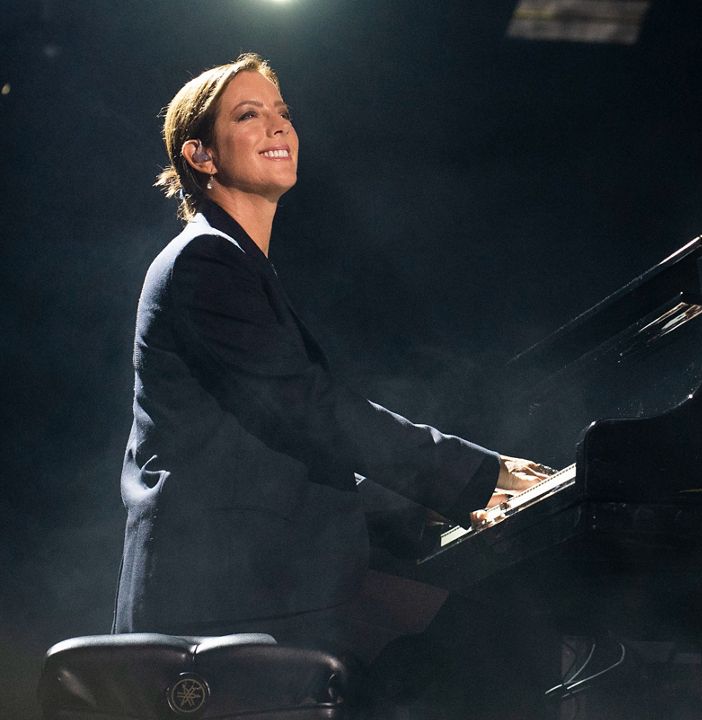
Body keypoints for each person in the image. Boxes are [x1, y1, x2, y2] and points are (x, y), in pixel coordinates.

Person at [114, 52, 551, 714]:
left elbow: (283, 451)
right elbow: (308, 411)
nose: (278, 127)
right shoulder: (206, 260)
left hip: (263, 574)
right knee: (488, 641)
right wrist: (477, 477)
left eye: (283, 114)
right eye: (248, 114)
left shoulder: (232, 262)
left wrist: (428, 509)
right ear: (200, 156)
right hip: (223, 591)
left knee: (480, 635)